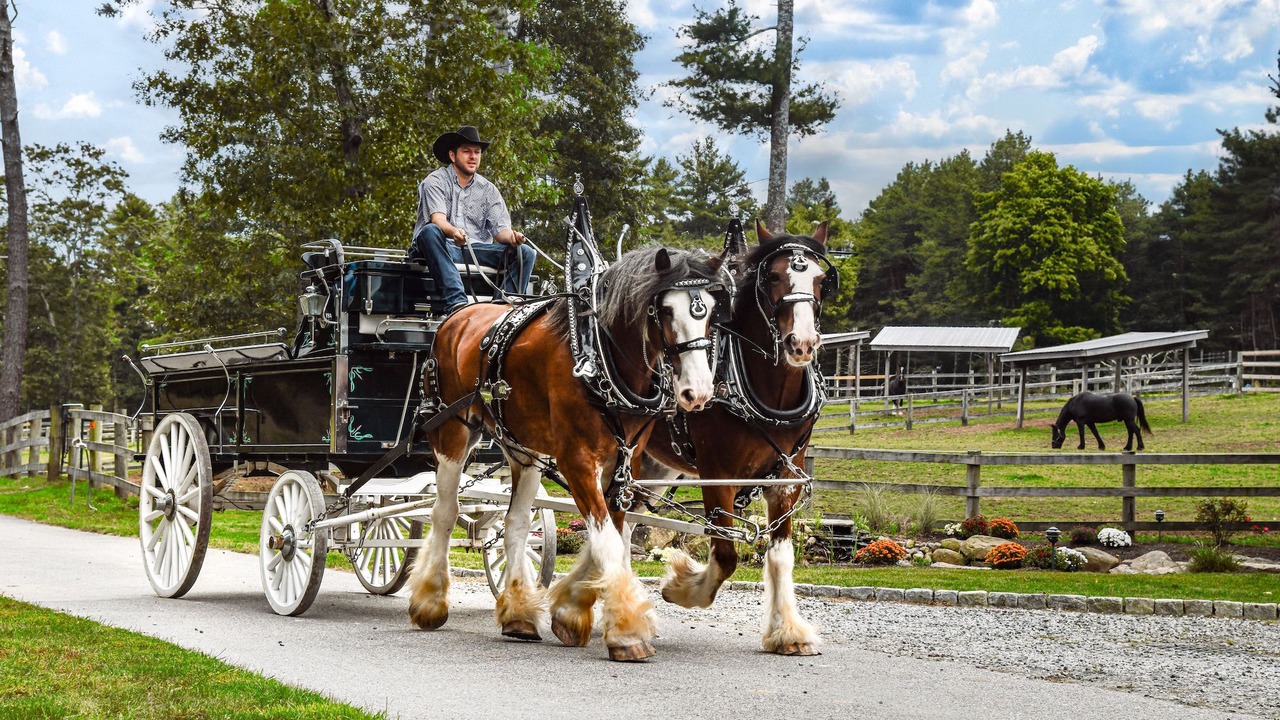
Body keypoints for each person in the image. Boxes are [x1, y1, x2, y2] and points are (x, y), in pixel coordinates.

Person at [409, 125, 535, 314]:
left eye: (477, 152)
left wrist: (512, 237)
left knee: (525, 253)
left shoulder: (489, 190)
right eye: (467, 151)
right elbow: (437, 219)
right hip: (440, 247)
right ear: (453, 155)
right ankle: (457, 303)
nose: (473, 156)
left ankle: (502, 311)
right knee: (429, 231)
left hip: (474, 250)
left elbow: (501, 231)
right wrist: (454, 232)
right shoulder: (434, 181)